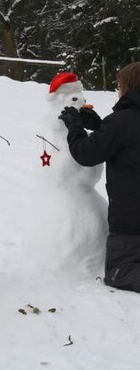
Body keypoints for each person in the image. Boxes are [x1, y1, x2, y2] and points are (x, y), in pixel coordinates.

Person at [58, 62, 140, 293]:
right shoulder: (122, 122)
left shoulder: (123, 121)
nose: (117, 91)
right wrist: (101, 126)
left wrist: (75, 128)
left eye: (119, 86)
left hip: (132, 223)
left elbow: (86, 154)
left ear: (128, 87)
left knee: (119, 272)